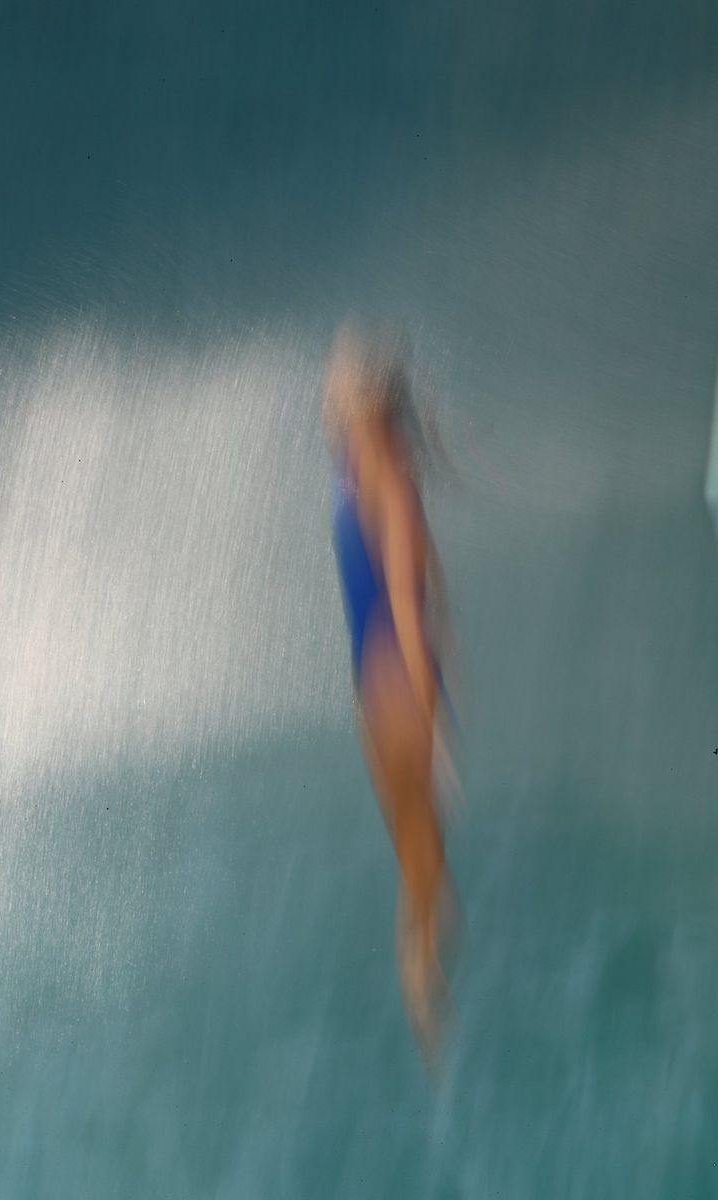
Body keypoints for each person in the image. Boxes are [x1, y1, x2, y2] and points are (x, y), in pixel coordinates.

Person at [324, 326, 460, 1057]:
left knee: (420, 855)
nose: (326, 390)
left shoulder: (386, 477)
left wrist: (434, 717)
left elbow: (408, 598)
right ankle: (428, 965)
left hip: (396, 687)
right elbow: (423, 567)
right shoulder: (361, 461)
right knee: (415, 848)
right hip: (375, 686)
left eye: (337, 383)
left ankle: (427, 986)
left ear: (363, 405)